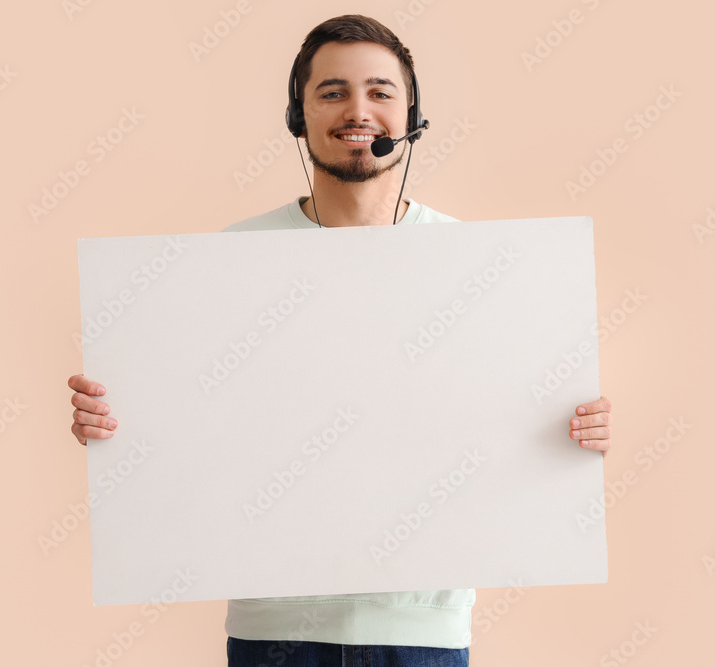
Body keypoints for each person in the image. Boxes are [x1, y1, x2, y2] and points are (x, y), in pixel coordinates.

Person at [68, 14, 613, 666]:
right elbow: (191, 423)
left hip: (422, 636)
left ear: (413, 115)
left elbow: (502, 422)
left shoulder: (476, 266)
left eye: (381, 91)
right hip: (276, 630)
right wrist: (112, 421)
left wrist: (578, 428)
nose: (359, 109)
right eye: (332, 92)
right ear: (298, 118)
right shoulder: (230, 260)